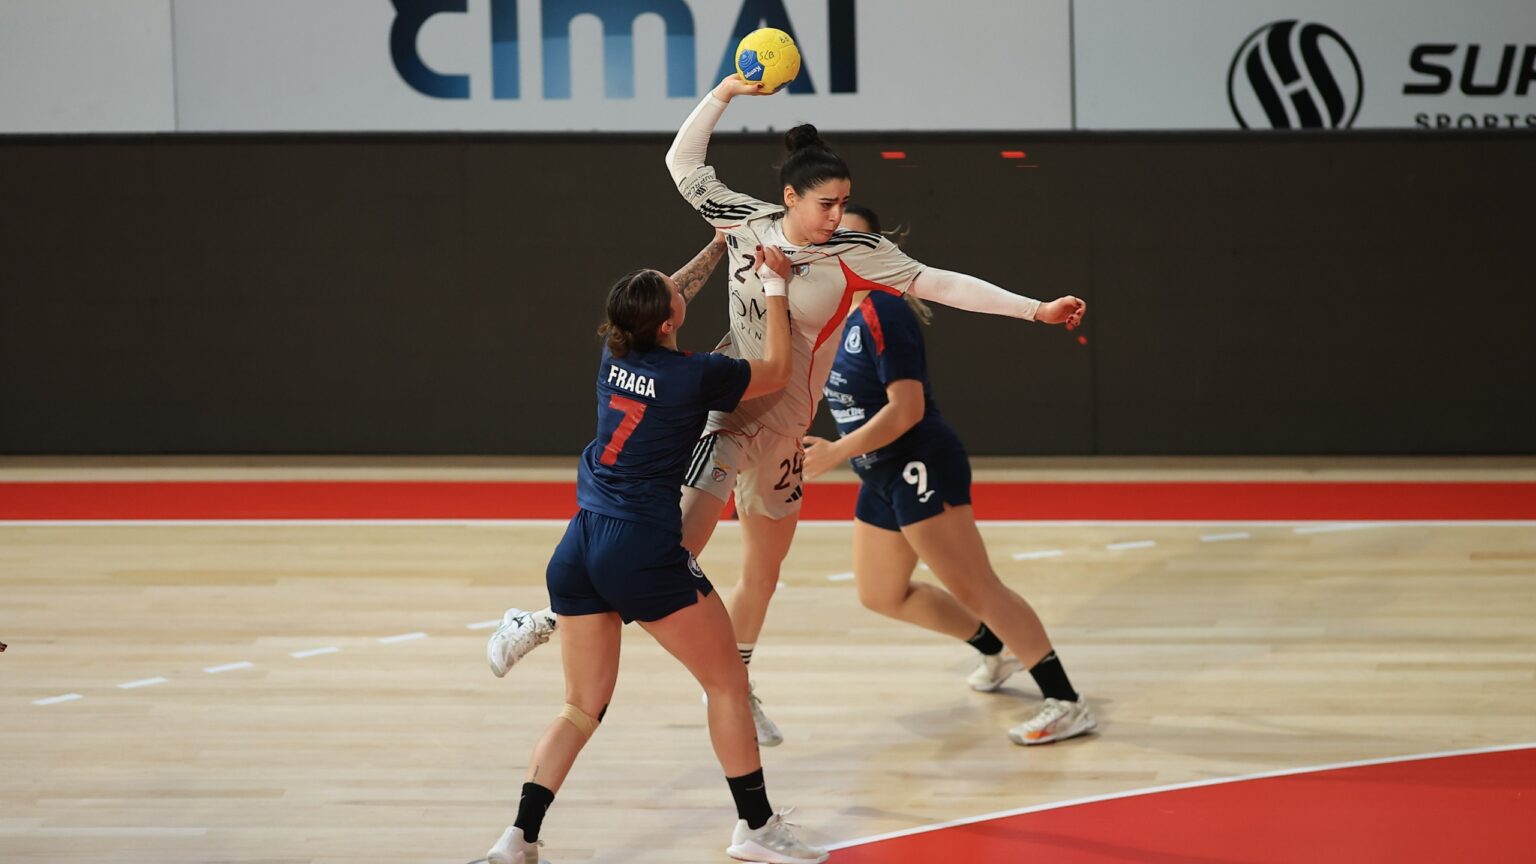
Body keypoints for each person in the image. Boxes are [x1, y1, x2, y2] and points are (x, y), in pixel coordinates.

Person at [491, 75, 1087, 748]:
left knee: (764, 573)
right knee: (674, 549)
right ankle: (543, 617)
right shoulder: (744, 223)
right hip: (730, 413)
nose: (837, 214)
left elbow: (940, 283)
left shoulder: (858, 256)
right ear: (790, 198)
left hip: (787, 431)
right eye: (826, 203)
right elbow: (682, 163)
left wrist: (1033, 309)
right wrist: (724, 93)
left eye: (843, 203)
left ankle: (739, 683)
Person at [484, 239, 828, 864]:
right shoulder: (695, 376)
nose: (675, 283)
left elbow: (665, 294)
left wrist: (721, 244)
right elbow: (777, 369)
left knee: (581, 706)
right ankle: (755, 827)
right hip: (639, 547)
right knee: (726, 683)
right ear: (667, 322)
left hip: (579, 542)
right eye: (667, 289)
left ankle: (518, 839)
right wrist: (775, 285)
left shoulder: (612, 354)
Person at [801, 205, 1095, 745]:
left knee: (977, 585)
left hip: (919, 462)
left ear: (876, 254)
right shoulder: (835, 317)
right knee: (881, 592)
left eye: (854, 241)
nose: (838, 249)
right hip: (879, 472)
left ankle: (1066, 701)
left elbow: (906, 409)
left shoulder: (886, 311)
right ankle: (993, 649)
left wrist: (836, 451)